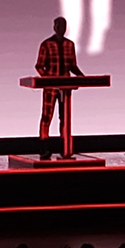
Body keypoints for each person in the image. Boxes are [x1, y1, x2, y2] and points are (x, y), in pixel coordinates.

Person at [35, 15, 84, 159]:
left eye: (63, 26)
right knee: (47, 116)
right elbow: (39, 66)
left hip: (65, 88)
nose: (61, 29)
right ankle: (44, 148)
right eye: (58, 26)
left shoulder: (70, 45)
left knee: (64, 117)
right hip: (50, 87)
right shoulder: (46, 44)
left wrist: (81, 76)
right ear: (54, 27)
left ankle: (64, 146)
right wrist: (47, 79)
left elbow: (72, 65)